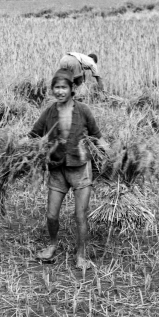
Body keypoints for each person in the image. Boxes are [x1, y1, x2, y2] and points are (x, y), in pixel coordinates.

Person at [28, 69, 107, 270]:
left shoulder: (84, 110)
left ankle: (81, 255)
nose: (60, 91)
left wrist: (113, 155)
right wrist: (12, 148)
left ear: (72, 89)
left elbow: (97, 137)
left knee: (80, 215)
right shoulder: (49, 112)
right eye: (56, 87)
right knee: (51, 215)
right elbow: (33, 135)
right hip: (57, 168)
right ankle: (52, 244)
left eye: (64, 87)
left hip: (80, 168)